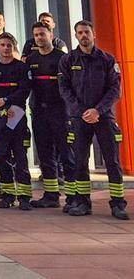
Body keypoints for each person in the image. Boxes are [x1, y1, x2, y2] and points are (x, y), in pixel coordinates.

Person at [59, 20, 127, 220]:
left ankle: (118, 204)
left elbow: (115, 89)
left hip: (104, 117)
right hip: (79, 119)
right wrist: (81, 111)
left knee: (112, 162)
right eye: (79, 32)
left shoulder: (107, 59)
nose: (83, 36)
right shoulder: (68, 60)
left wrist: (98, 110)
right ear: (75, 36)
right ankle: (82, 202)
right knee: (80, 162)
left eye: (86, 32)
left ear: (94, 34)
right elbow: (64, 90)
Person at [24, 22, 74, 209]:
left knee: (67, 155)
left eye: (42, 34)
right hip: (39, 113)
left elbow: (70, 87)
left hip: (60, 113)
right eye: (36, 35)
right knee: (45, 155)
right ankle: (51, 195)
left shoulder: (63, 58)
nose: (39, 38)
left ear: (51, 35)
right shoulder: (31, 59)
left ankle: (73, 196)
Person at [0, 33, 33, 210]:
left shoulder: (22, 68)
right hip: (0, 121)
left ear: (14, 47)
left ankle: (24, 197)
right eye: (3, 45)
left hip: (18, 119)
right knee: (1, 157)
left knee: (21, 158)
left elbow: (24, 91)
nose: (6, 48)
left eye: (9, 45)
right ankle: (7, 195)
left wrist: (6, 101)